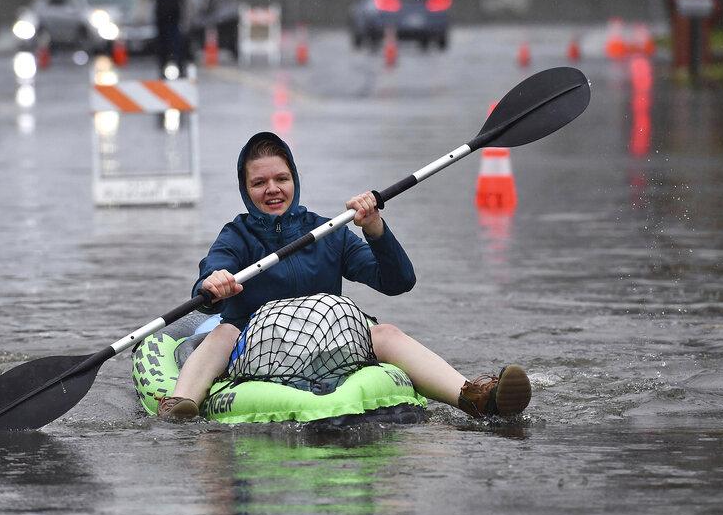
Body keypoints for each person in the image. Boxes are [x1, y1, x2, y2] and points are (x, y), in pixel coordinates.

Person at [158, 131, 531, 420]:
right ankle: (182, 403)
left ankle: (474, 396)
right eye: (259, 183)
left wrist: (375, 228)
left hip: (329, 340)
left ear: (294, 180)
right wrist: (214, 282)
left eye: (281, 179)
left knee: (385, 332)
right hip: (257, 347)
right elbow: (210, 273)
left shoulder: (328, 232)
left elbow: (399, 282)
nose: (272, 189)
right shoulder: (236, 236)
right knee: (223, 331)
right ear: (246, 189)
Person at [147, 0, 187, 78]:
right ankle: (162, 69)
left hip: (174, 17)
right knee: (162, 46)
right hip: (161, 17)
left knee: (177, 45)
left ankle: (180, 69)